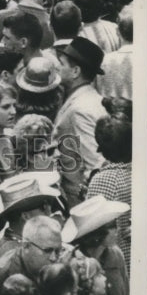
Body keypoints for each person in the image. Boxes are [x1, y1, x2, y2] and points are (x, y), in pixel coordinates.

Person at [52, 37, 108, 206]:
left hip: (79, 200)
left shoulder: (80, 109)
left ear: (76, 71)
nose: (57, 68)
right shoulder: (89, 97)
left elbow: (95, 164)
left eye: (62, 64)